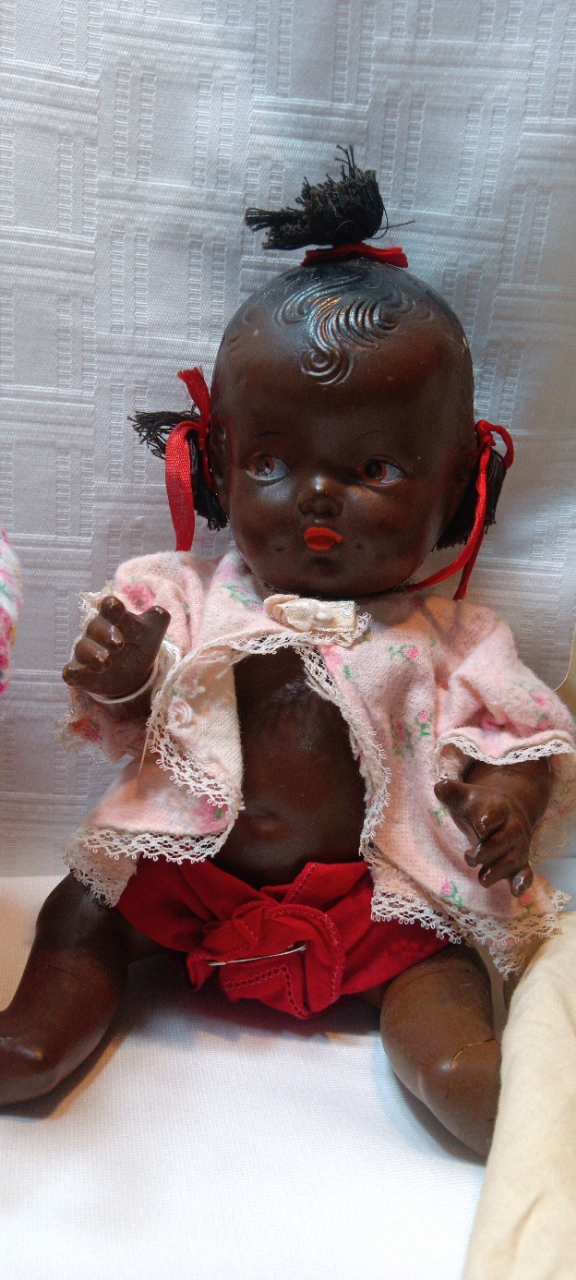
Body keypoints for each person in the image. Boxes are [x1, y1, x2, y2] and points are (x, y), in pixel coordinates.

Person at [0, 153, 573, 1157]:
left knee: (440, 991)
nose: (316, 493)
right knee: (87, 905)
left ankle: (474, 1080)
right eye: (270, 460)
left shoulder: (457, 638)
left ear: (455, 488)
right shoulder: (187, 595)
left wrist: (506, 798)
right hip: (189, 880)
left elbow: (518, 732)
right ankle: (35, 1032)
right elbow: (127, 717)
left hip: (379, 909)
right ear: (216, 465)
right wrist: (122, 673)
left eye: (374, 465)